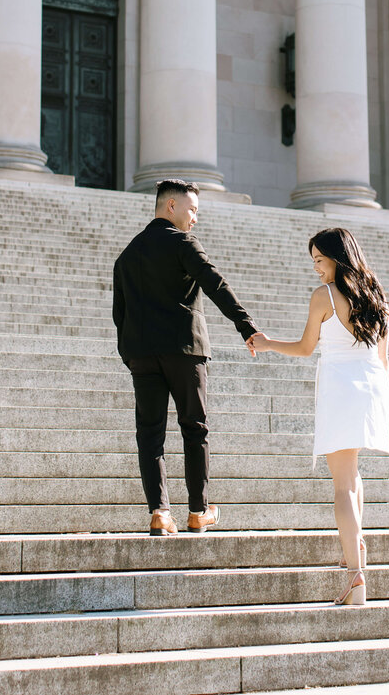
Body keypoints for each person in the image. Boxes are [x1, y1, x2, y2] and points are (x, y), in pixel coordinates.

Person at [247, 227, 389, 606]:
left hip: (341, 386)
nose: (316, 268)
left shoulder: (324, 296)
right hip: (374, 386)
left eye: (319, 260)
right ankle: (353, 549)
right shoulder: (375, 293)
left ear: (336, 257)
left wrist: (266, 343)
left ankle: (355, 578)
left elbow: (305, 348)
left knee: (342, 484)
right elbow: (383, 357)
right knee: (353, 474)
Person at [112, 178, 259, 536]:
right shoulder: (182, 243)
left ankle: (160, 513)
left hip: (143, 354)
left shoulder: (128, 254)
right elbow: (215, 283)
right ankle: (197, 511)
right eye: (192, 209)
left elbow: (120, 312)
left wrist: (130, 355)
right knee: (195, 429)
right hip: (185, 350)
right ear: (171, 206)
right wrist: (247, 326)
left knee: (150, 434)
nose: (195, 218)